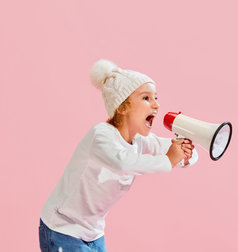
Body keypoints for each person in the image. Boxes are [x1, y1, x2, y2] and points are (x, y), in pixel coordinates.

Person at [38, 59, 198, 252]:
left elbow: (169, 147)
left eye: (156, 97)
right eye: (146, 98)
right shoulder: (101, 135)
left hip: (94, 232)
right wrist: (169, 160)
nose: (156, 104)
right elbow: (122, 162)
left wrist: (186, 155)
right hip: (62, 228)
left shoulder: (139, 140)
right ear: (121, 108)